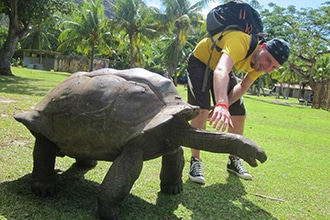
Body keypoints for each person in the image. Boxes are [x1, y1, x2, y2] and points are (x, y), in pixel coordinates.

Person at [187, 30, 290, 184]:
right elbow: (221, 70)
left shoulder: (261, 65)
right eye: (268, 60)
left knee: (239, 113)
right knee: (201, 111)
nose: (267, 68)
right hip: (200, 62)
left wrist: (225, 104)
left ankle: (233, 160)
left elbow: (243, 86)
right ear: (262, 46)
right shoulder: (241, 42)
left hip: (220, 67)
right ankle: (195, 160)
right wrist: (221, 104)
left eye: (274, 67)